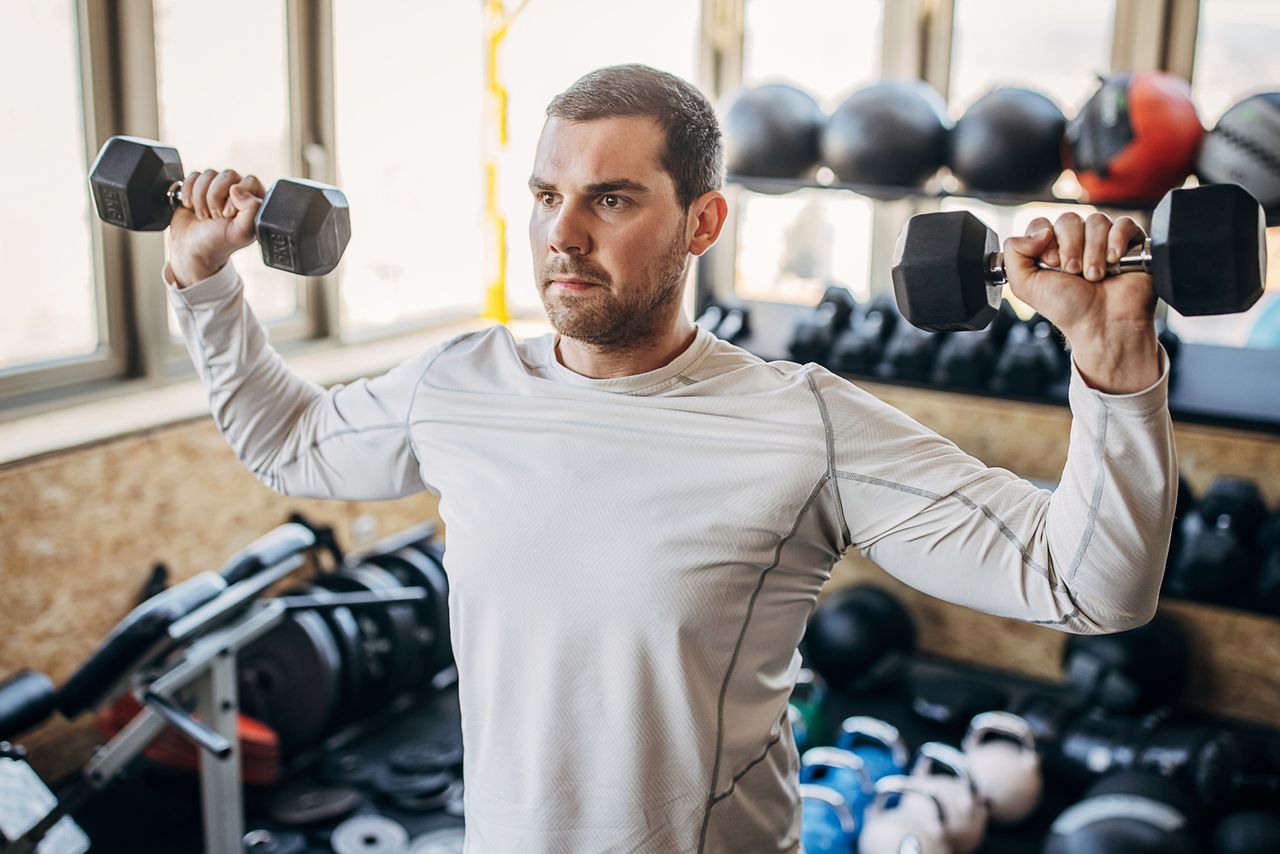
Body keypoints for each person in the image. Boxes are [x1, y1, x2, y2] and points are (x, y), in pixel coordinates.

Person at [163, 64, 1175, 853]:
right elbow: (288, 442)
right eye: (545, 193)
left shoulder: (799, 424)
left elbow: (1087, 586)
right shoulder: (459, 384)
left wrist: (1112, 362)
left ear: (702, 221)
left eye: (608, 199)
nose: (561, 233)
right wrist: (202, 282)